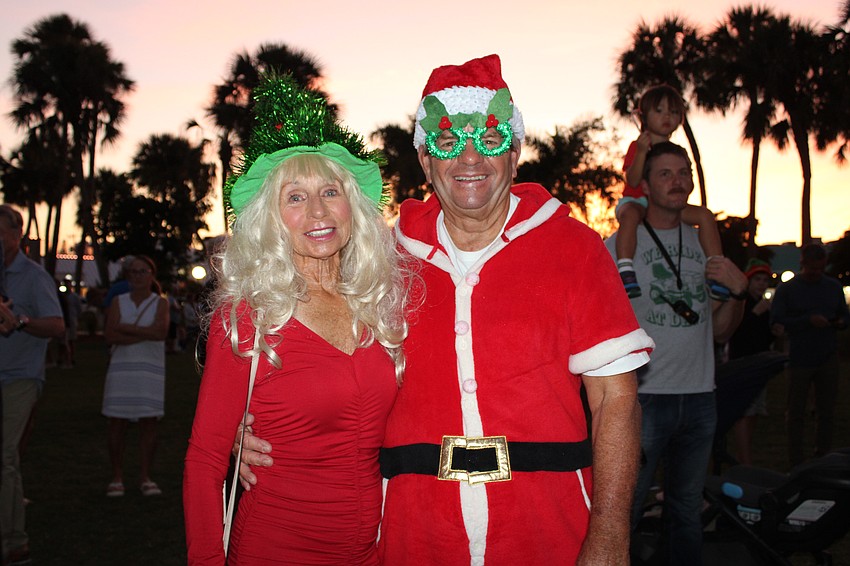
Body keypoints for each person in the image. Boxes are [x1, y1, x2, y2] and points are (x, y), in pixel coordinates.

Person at [240, 55, 656, 565]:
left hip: (548, 527)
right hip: (415, 532)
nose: (470, 158)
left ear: (517, 150)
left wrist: (611, 532)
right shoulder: (379, 262)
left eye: (490, 138)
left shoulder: (575, 249)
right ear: (424, 159)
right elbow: (321, 367)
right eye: (447, 140)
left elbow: (616, 399)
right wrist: (257, 427)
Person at [182, 74, 415, 565]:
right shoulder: (250, 317)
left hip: (377, 550)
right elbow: (204, 461)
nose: (317, 211)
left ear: (353, 206)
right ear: (271, 218)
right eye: (294, 197)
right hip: (277, 546)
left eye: (330, 191)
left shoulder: (383, 305)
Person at [605, 141, 748, 564]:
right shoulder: (618, 247)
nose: (678, 181)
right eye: (665, 173)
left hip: (701, 396)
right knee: (625, 509)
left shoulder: (707, 244)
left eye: (683, 172)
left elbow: (720, 332)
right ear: (644, 185)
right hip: (643, 399)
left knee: (686, 510)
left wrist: (737, 293)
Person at [615, 84, 728, 301]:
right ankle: (626, 268)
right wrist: (640, 152)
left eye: (674, 112)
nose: (667, 116)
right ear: (644, 116)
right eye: (659, 111)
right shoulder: (637, 146)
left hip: (666, 207)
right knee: (630, 216)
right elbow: (634, 179)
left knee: (704, 215)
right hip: (637, 201)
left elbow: (689, 184)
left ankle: (716, 269)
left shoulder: (678, 152)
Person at [0, 204, 65, 566]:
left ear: (16, 235)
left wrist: (20, 320)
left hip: (20, 377)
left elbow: (57, 327)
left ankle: (14, 541)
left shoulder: (34, 276)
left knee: (5, 458)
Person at [770, 243, 850, 468]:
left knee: (827, 410)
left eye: (820, 269)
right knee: (796, 411)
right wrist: (807, 321)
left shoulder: (833, 287)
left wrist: (841, 322)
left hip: (828, 355)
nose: (816, 273)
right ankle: (796, 460)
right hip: (800, 357)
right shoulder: (788, 289)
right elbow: (777, 319)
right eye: (812, 269)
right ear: (802, 264)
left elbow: (844, 314)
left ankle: (822, 456)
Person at [101, 255, 169, 497]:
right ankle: (117, 476)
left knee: (148, 423)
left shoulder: (160, 303)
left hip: (149, 371)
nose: (138, 276)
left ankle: (145, 476)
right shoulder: (119, 301)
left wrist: (124, 328)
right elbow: (110, 334)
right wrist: (144, 332)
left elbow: (160, 332)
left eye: (143, 271)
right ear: (127, 276)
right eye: (134, 272)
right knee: (116, 422)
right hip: (121, 370)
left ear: (152, 275)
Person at [727, 258, 779, 465]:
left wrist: (774, 332)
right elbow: (734, 332)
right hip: (743, 365)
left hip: (760, 364)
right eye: (757, 279)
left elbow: (762, 337)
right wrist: (755, 314)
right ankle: (744, 458)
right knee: (744, 411)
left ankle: (745, 454)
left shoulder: (763, 304)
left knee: (755, 410)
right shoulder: (743, 302)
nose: (761, 284)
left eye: (765, 280)